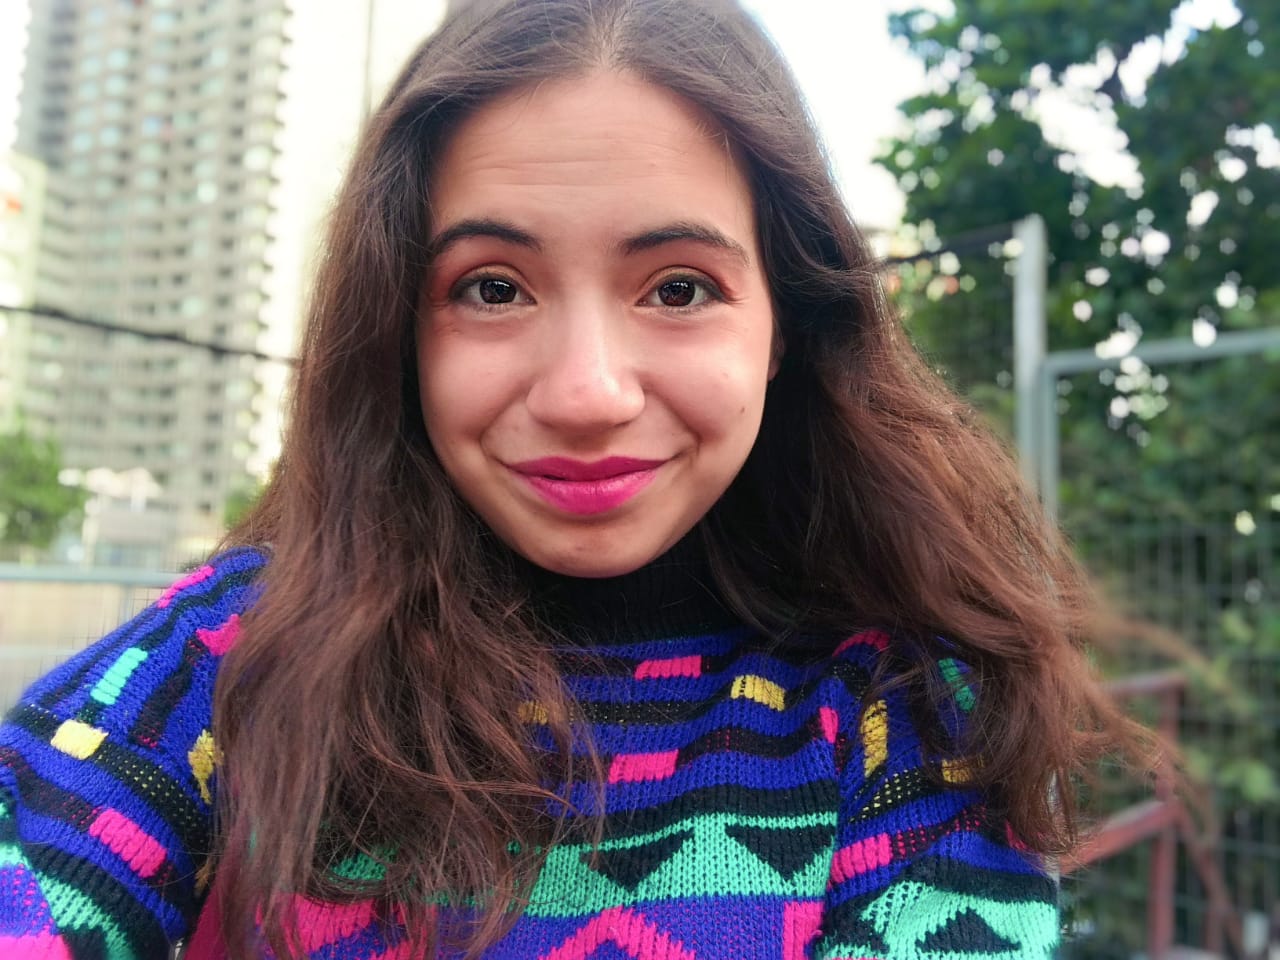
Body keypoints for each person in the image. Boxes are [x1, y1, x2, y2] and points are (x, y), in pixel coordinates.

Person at [0, 0, 1139, 957]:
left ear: (783, 325)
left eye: (678, 288)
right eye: (492, 288)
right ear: (400, 328)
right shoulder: (230, 660)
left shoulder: (906, 709)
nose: (587, 395)